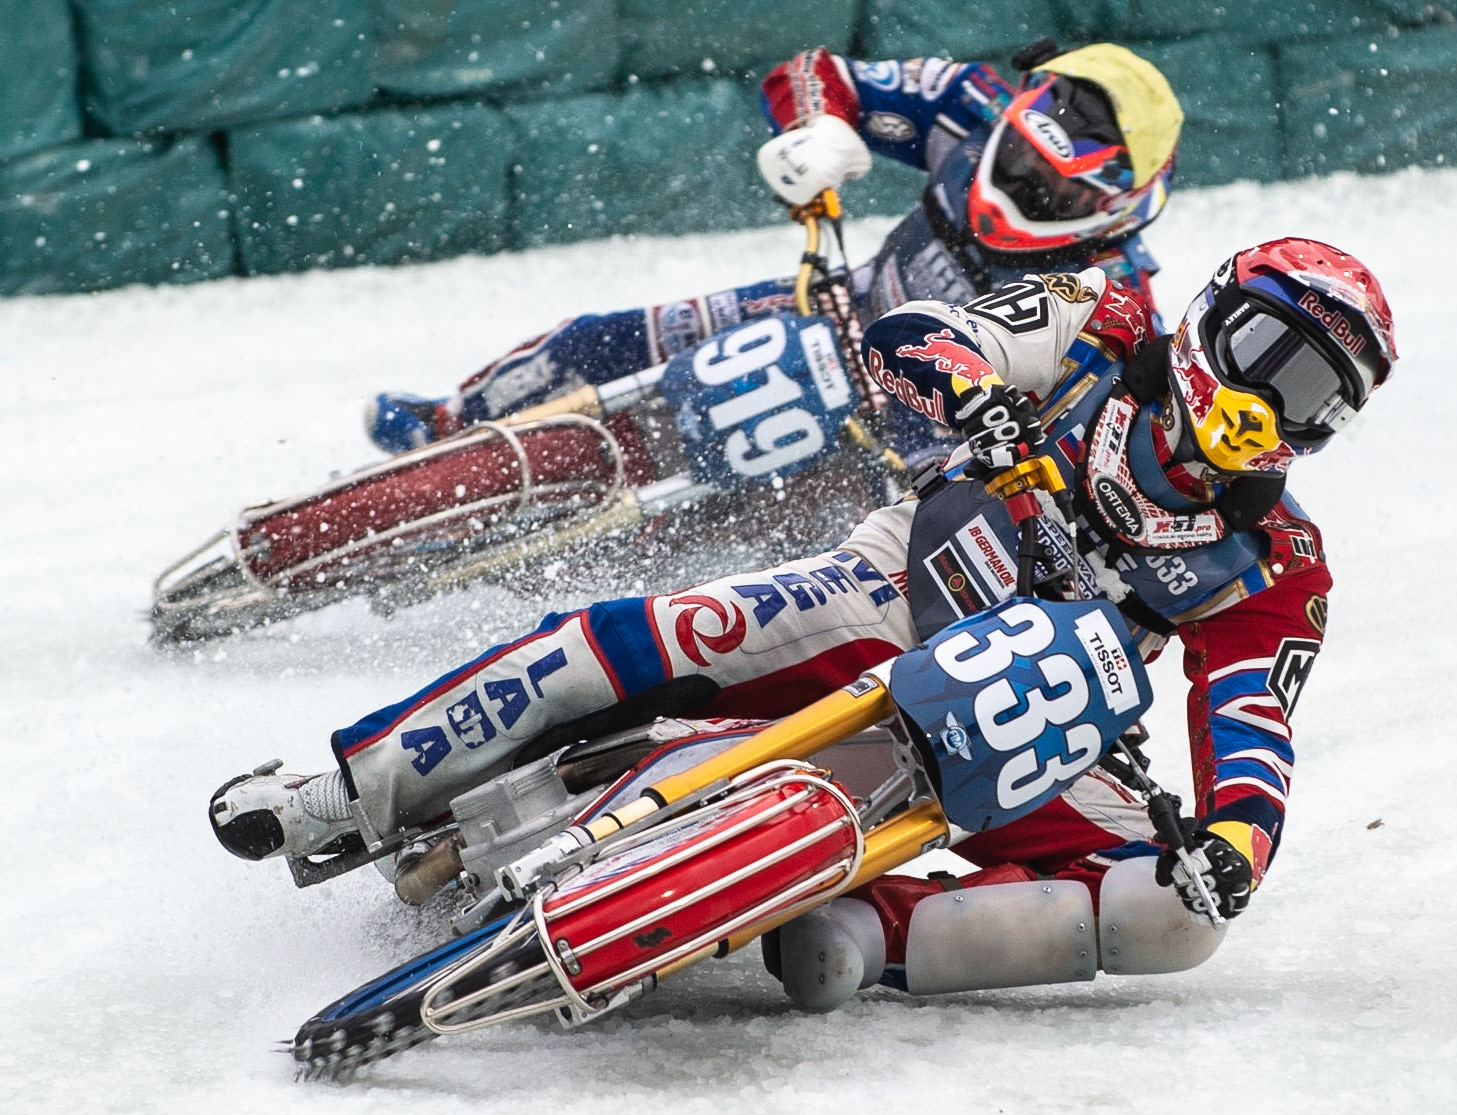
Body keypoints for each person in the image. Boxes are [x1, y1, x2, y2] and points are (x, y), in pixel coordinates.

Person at [211, 237, 1396, 1001]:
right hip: (891, 588)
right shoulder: (1100, 320)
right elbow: (916, 334)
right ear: (1209, 320)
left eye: (1306, 396)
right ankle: (339, 786)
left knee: (1176, 921)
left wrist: (1235, 846)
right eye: (1262, 354)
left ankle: (870, 931)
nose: (1264, 402)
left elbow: (1250, 719)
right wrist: (975, 400)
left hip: (1035, 717)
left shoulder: (1276, 561)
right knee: (659, 632)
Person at [366, 41, 1184, 471]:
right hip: (831, 306)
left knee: (776, 554)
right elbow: (813, 71)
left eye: (1061, 192)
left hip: (925, 428)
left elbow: (1114, 438)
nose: (1031, 187)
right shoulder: (970, 103)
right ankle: (449, 426)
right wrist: (821, 127)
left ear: (1118, 199)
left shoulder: (1116, 296)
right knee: (595, 340)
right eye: (1026, 161)